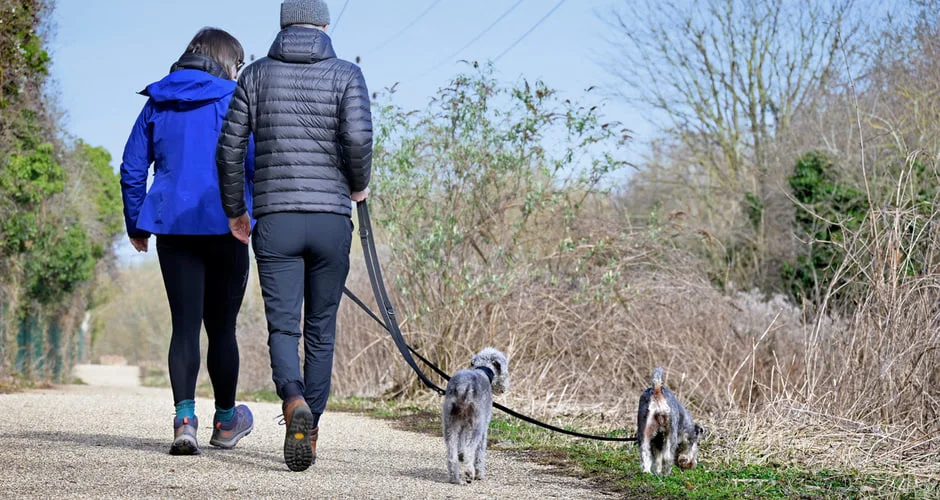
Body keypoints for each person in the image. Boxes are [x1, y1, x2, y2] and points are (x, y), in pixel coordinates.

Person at [216, 0, 372, 472]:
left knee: (284, 326)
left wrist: (235, 211)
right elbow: (359, 140)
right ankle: (312, 427)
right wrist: (358, 185)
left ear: (283, 25)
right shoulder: (348, 74)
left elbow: (229, 149)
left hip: (276, 219)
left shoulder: (256, 75)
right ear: (324, 24)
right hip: (329, 219)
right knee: (321, 331)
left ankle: (292, 401)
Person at [120, 27, 255, 456]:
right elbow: (253, 162)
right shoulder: (235, 99)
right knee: (222, 329)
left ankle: (184, 419)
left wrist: (136, 223)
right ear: (227, 60)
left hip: (173, 229)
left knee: (184, 327)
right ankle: (226, 420)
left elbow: (131, 167)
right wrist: (257, 215)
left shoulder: (157, 100)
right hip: (227, 226)